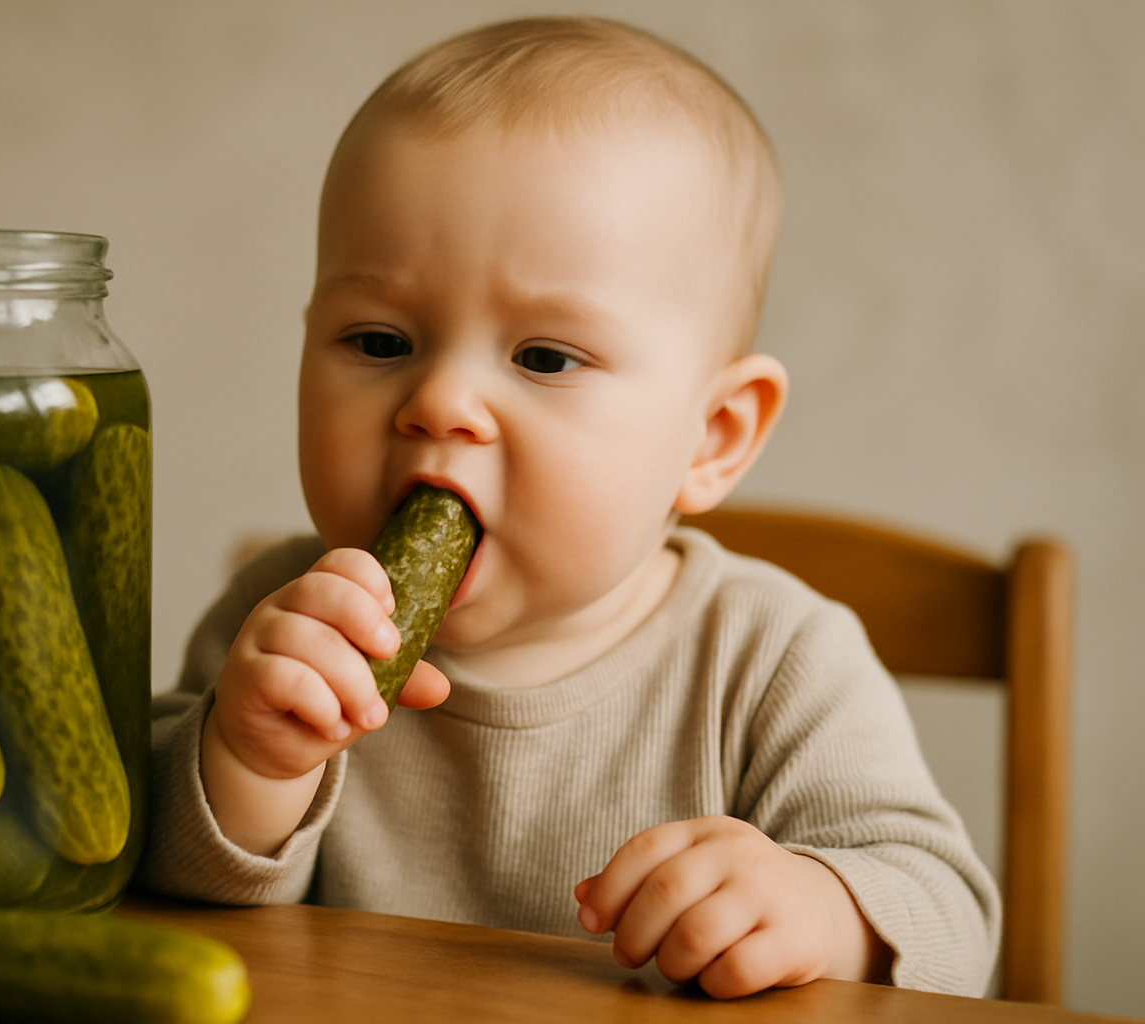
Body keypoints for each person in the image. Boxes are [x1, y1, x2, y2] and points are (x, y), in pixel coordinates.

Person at [136, 16, 999, 999]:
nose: (440, 404)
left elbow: (953, 923)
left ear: (713, 435)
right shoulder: (283, 621)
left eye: (544, 357)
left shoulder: (773, 658)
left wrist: (818, 905)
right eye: (379, 341)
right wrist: (249, 761)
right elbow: (152, 878)